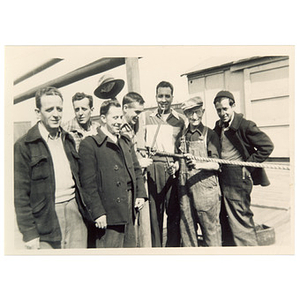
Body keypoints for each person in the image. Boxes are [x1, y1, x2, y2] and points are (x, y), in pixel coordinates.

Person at [14, 86, 91, 249]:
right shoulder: (24, 145)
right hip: (46, 218)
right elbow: (20, 195)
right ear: (37, 112)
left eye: (59, 109)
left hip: (74, 212)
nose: (56, 114)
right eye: (49, 109)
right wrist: (29, 233)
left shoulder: (68, 139)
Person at [78, 100, 147, 248]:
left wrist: (140, 193)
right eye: (114, 118)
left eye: (120, 117)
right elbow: (88, 185)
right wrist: (97, 213)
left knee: (129, 249)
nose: (119, 122)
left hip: (129, 206)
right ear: (103, 118)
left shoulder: (125, 141)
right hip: (108, 211)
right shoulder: (90, 144)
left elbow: (136, 169)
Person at [213, 90, 274, 246]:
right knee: (225, 217)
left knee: (240, 217)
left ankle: (249, 252)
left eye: (225, 109)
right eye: (219, 110)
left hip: (238, 177)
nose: (222, 113)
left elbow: (267, 146)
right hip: (222, 175)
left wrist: (248, 166)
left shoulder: (245, 125)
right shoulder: (218, 126)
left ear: (233, 106)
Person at [144, 81, 185, 247]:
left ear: (172, 98)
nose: (163, 100)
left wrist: (177, 164)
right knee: (154, 215)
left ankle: (172, 249)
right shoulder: (147, 117)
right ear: (155, 97)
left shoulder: (179, 120)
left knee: (173, 214)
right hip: (153, 168)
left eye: (167, 96)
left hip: (171, 170)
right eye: (160, 96)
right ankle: (156, 250)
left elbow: (182, 148)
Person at [177, 96, 222, 247]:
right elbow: (179, 161)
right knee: (187, 230)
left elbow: (217, 165)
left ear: (202, 111)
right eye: (190, 113)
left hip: (206, 190)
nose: (194, 117)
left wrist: (198, 164)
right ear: (185, 115)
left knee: (211, 232)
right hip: (185, 189)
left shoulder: (210, 135)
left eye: (197, 112)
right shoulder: (182, 136)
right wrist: (175, 167)